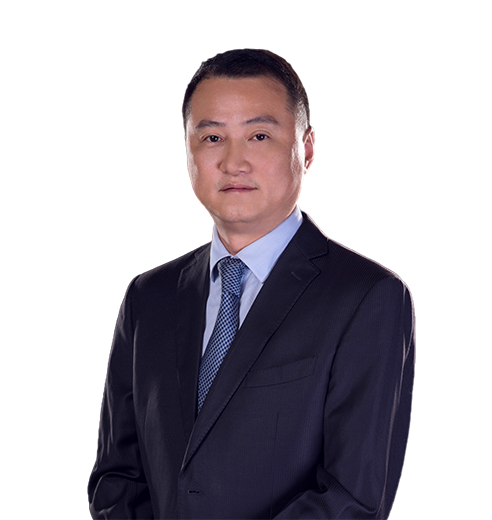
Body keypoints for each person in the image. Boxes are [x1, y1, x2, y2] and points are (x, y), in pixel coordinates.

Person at [88, 48, 415, 520]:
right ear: (187, 152)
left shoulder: (368, 296)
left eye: (259, 135)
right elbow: (117, 477)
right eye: (212, 137)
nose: (233, 162)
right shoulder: (147, 297)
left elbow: (352, 499)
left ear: (306, 149)